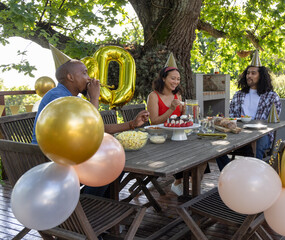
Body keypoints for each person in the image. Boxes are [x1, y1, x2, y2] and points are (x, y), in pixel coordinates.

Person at [31, 59, 150, 197]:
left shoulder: (73, 99)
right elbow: (92, 128)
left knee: (118, 159)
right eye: (84, 73)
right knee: (109, 164)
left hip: (64, 154)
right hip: (49, 160)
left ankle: (102, 203)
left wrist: (132, 124)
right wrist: (94, 98)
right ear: (70, 77)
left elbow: (97, 128)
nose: (89, 78)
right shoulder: (58, 97)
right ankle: (90, 204)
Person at [216, 64, 282, 171]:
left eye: (253, 73)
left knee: (258, 145)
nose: (249, 76)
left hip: (262, 135)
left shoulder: (271, 96)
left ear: (261, 76)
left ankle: (255, 175)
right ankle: (229, 172)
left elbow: (272, 122)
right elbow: (232, 116)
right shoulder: (238, 95)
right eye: (247, 73)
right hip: (239, 133)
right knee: (217, 146)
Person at [147, 66, 186, 195]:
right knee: (186, 150)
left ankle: (187, 182)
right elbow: (154, 121)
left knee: (200, 150)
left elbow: (179, 118)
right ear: (163, 78)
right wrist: (170, 109)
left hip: (176, 135)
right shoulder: (153, 96)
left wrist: (185, 111)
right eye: (173, 78)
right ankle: (178, 182)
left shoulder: (177, 95)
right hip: (161, 138)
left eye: (178, 79)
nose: (176, 82)